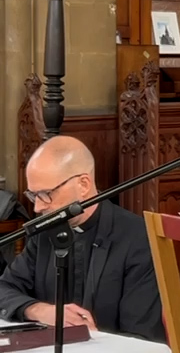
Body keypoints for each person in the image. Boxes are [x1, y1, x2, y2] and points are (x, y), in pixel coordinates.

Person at [0, 136, 167, 343]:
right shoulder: (45, 230)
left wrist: (94, 335)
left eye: (46, 194)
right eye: (34, 195)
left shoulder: (138, 238)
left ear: (83, 184)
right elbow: (4, 288)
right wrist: (39, 310)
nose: (38, 207)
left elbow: (142, 338)